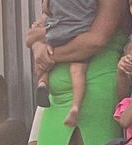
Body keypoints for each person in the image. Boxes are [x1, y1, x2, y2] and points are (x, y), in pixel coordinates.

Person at [25, 0, 128, 145]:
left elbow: (96, 40)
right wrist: (37, 48)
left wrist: (48, 55)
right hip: (55, 97)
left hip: (95, 88)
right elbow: (34, 33)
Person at [34, 0, 97, 128]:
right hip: (79, 32)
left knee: (45, 57)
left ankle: (42, 82)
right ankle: (75, 106)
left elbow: (46, 9)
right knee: (77, 70)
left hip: (56, 32)